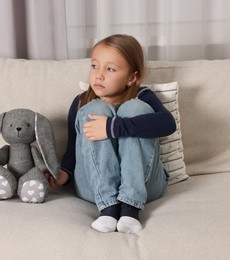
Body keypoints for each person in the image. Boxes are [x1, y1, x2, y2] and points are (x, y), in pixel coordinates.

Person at [47, 34, 176, 234]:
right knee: (94, 108)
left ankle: (130, 208)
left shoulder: (143, 97)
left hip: (144, 185)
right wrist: (63, 173)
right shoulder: (82, 102)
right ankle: (108, 207)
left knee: (135, 110)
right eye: (94, 66)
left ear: (132, 77)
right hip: (94, 187)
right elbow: (74, 146)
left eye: (110, 69)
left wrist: (113, 127)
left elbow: (167, 124)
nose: (99, 75)